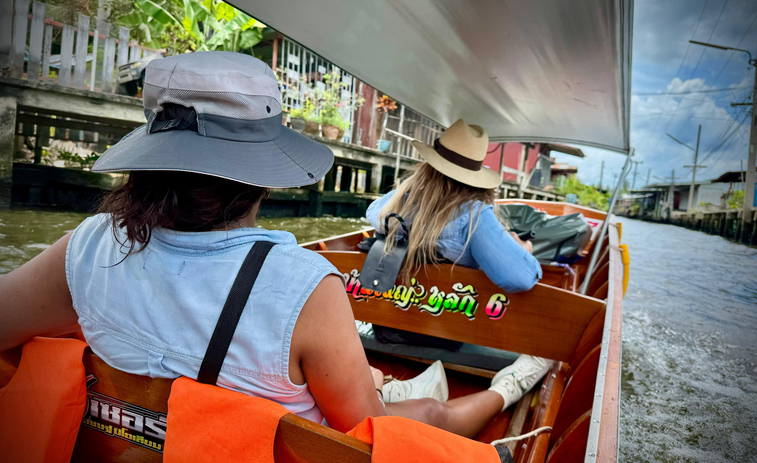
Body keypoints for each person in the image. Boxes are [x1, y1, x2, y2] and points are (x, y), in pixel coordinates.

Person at [0, 52, 532, 439]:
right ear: (265, 174)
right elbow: (367, 433)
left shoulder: (86, 246)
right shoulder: (304, 286)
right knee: (422, 415)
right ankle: (510, 387)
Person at [366, 119, 553, 405]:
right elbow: (522, 277)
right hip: (447, 329)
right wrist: (522, 247)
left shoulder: (401, 200)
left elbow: (372, 212)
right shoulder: (473, 215)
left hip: (389, 324)